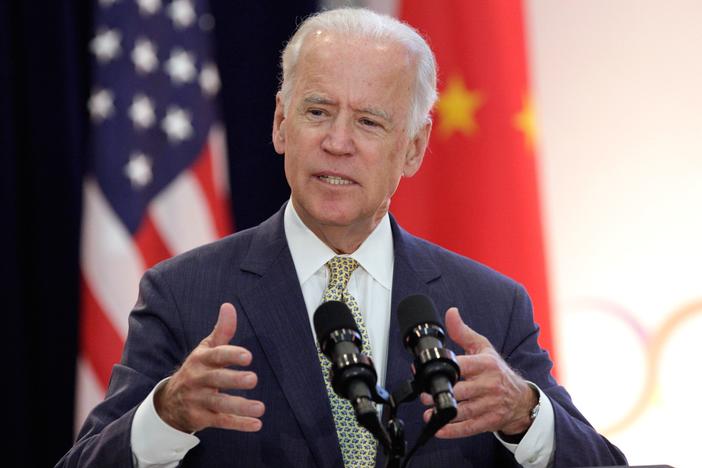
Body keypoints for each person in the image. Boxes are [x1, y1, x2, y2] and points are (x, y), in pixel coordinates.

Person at [57, 7, 626, 468]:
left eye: (369, 121)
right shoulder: (185, 294)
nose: (337, 141)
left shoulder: (490, 306)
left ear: (414, 146)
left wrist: (525, 413)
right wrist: (166, 416)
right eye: (317, 111)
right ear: (281, 122)